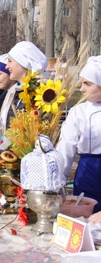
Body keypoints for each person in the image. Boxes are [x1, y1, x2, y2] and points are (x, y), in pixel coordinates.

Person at [0, 42, 48, 169]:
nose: (7, 66)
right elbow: (4, 129)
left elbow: (18, 136)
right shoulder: (13, 92)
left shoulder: (35, 95)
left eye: (10, 61)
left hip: (21, 163)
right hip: (6, 158)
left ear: (23, 64)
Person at [56, 55, 101, 213]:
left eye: (87, 83)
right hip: (88, 173)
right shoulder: (79, 112)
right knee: (86, 217)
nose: (81, 89)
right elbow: (66, 149)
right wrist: (57, 181)